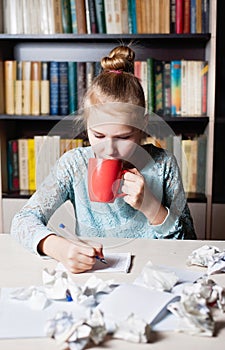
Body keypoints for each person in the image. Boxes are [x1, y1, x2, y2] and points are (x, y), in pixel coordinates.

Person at [11, 45, 196, 274]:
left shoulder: (163, 165)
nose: (109, 149)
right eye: (98, 135)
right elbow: (22, 220)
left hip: (152, 276)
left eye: (124, 137)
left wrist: (151, 207)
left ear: (143, 125)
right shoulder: (74, 165)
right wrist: (58, 248)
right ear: (86, 125)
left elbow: (189, 245)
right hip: (93, 276)